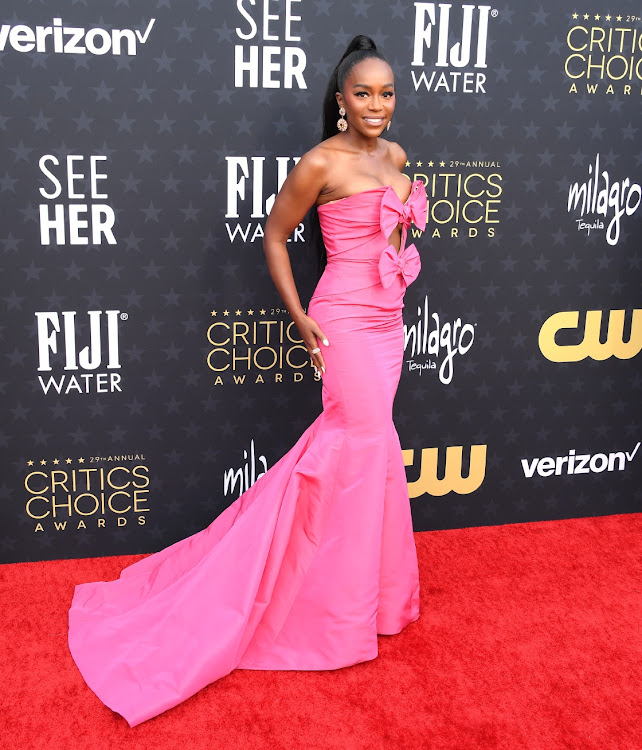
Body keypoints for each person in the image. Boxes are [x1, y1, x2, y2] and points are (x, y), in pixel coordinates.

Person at [67, 34, 426, 728]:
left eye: (386, 92)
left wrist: (396, 284)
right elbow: (274, 235)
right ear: (341, 100)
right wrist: (299, 318)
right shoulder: (321, 160)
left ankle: (370, 600)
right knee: (356, 442)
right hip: (342, 320)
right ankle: (326, 606)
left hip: (389, 322)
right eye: (363, 93)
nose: (376, 104)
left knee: (370, 449)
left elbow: (395, 240)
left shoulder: (399, 158)